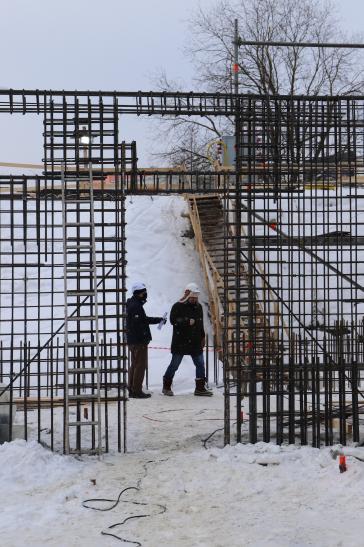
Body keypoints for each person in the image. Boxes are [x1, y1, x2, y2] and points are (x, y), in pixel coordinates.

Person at [162, 283, 213, 397]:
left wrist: (203, 336)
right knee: (174, 365)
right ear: (187, 295)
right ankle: (166, 386)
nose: (194, 299)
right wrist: (186, 321)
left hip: (195, 342)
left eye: (196, 297)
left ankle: (200, 388)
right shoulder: (177, 306)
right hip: (180, 341)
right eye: (192, 297)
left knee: (200, 364)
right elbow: (173, 320)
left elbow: (200, 323)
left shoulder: (199, 307)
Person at [126, 282, 165, 399]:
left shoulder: (132, 304)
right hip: (138, 341)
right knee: (140, 365)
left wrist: (158, 320)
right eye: (144, 293)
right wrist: (158, 320)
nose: (145, 295)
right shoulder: (136, 306)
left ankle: (132, 388)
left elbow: (141, 320)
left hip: (133, 340)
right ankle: (136, 390)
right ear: (139, 293)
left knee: (135, 364)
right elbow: (141, 322)